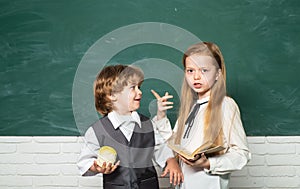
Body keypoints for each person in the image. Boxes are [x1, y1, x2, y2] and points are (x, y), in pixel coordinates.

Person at [152, 42, 251, 189]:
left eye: (204, 70)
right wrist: (161, 116)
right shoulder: (191, 107)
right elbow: (174, 145)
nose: (196, 77)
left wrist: (208, 163)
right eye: (190, 71)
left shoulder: (226, 105)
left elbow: (241, 154)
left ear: (217, 74)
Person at [77, 64, 183, 189]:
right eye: (133, 88)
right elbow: (85, 162)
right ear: (112, 95)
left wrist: (170, 161)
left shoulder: (148, 125)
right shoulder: (97, 130)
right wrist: (96, 167)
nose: (139, 92)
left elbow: (161, 149)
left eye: (139, 87)